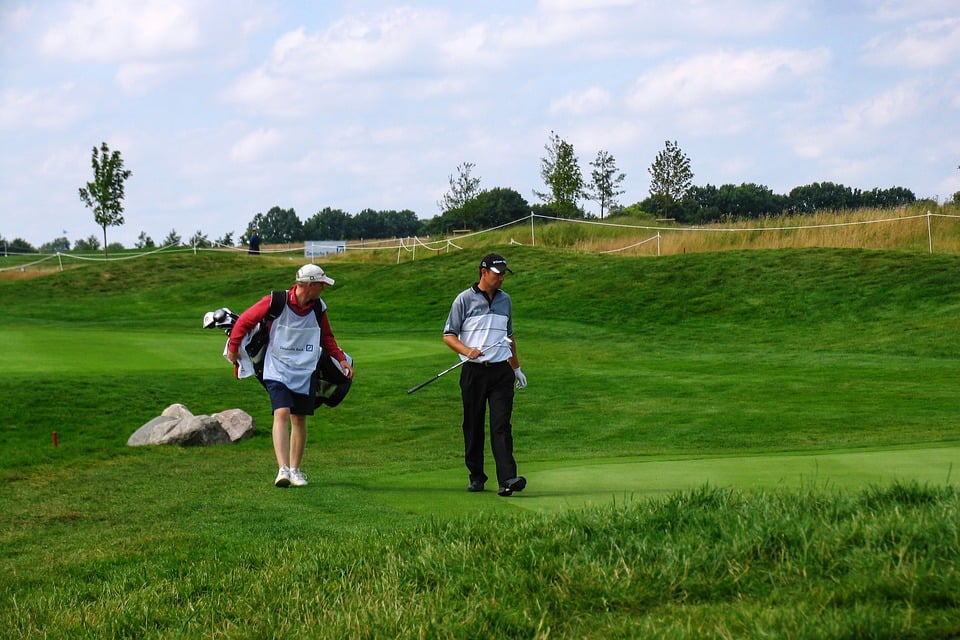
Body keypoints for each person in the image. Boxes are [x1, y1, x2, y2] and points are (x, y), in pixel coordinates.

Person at [226, 264, 354, 488]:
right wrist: (234, 348)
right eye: (321, 285)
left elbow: (327, 337)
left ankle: (296, 470)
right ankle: (282, 469)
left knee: (299, 418)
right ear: (310, 285)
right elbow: (245, 320)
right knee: (282, 412)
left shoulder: (318, 308)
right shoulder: (276, 301)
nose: (323, 289)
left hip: (305, 368)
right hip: (276, 367)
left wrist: (341, 359)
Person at [443, 253, 528, 497]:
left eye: (503, 274)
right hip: (474, 371)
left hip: (501, 371)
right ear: (483, 272)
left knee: (501, 425)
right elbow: (448, 335)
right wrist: (466, 350)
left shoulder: (505, 301)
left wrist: (516, 368)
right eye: (497, 273)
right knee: (473, 425)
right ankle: (476, 476)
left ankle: (507, 480)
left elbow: (509, 337)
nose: (502, 278)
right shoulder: (464, 300)